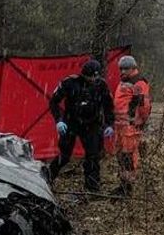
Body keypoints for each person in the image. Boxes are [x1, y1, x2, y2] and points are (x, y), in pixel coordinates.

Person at [48, 58, 114, 192]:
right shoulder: (69, 83)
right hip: (71, 122)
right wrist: (58, 120)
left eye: (95, 77)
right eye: (90, 77)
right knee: (64, 156)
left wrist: (109, 124)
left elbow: (108, 106)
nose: (92, 80)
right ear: (84, 74)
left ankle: (92, 188)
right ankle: (47, 178)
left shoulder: (101, 86)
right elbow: (54, 102)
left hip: (92, 123)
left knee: (93, 156)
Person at [112, 55, 151, 194]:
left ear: (133, 68)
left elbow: (144, 106)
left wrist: (140, 122)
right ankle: (123, 184)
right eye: (121, 68)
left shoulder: (139, 83)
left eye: (126, 68)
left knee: (128, 156)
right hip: (120, 126)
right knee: (120, 155)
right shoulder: (124, 81)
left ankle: (127, 187)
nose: (122, 71)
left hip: (130, 126)